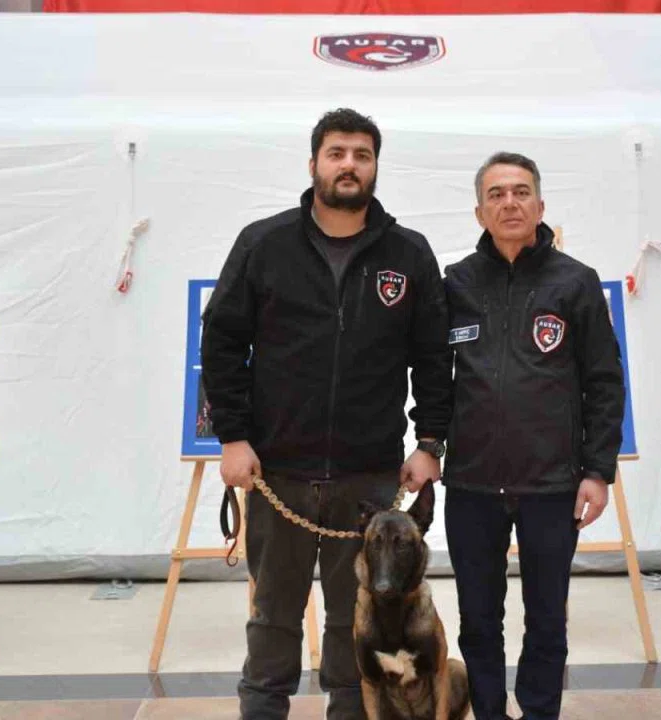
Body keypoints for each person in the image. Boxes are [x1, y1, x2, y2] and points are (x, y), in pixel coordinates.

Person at [199, 108, 453, 720]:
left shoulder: (409, 253)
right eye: (337, 153)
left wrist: (430, 442)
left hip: (368, 478)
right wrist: (233, 437)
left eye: (362, 155)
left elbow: (433, 355)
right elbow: (222, 342)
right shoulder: (264, 244)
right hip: (278, 470)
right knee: (272, 617)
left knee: (353, 622)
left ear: (375, 167)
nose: (349, 165)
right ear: (313, 162)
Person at [442, 152, 626, 720]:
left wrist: (597, 471)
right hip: (472, 484)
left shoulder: (575, 282)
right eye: (496, 194)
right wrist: (427, 445)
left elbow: (604, 381)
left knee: (547, 618)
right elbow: (433, 378)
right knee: (478, 619)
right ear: (479, 212)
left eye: (521, 192)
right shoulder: (455, 283)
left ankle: (540, 712)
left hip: (552, 485)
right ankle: (490, 712)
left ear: (540, 206)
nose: (510, 203)